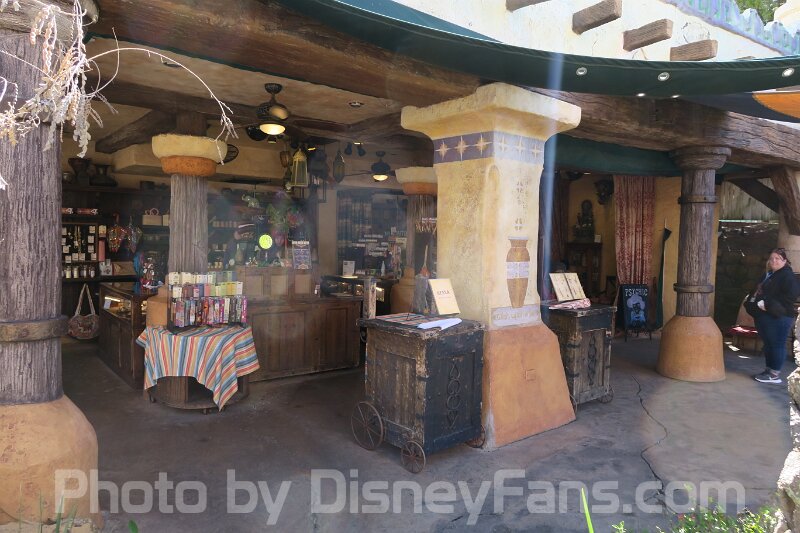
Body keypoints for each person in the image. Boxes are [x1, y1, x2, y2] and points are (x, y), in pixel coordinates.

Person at [751, 248, 800, 384]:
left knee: (777, 344)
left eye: (777, 258)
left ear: (784, 261)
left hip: (780, 316)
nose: (774, 261)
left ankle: (774, 374)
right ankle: (768, 370)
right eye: (772, 258)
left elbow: (791, 295)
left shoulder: (787, 276)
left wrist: (768, 304)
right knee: (769, 344)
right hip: (766, 315)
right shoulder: (769, 274)